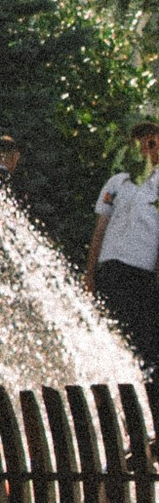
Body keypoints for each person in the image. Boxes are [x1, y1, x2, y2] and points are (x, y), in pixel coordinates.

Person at [86, 117, 159, 378]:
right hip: (111, 265)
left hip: (143, 270)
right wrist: (90, 272)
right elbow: (100, 229)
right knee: (114, 330)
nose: (146, 150)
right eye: (140, 144)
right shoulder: (118, 182)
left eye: (152, 143)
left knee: (144, 340)